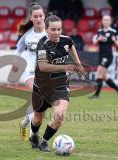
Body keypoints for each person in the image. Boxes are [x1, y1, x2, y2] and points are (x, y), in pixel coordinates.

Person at [29, 14, 84, 152]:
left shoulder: (66, 40)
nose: (57, 32)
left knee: (59, 115)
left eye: (59, 29)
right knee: (37, 119)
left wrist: (78, 63)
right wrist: (65, 67)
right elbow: (43, 66)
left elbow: (71, 46)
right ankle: (34, 135)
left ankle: (44, 141)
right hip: (42, 87)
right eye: (53, 29)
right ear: (46, 30)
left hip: (60, 85)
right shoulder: (42, 44)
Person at [13, 3, 46, 141]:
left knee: (40, 110)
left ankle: (25, 122)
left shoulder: (50, 32)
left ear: (44, 16)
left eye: (41, 16)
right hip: (30, 71)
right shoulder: (27, 36)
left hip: (45, 73)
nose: (39, 18)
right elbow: (18, 50)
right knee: (39, 96)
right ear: (31, 18)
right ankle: (34, 136)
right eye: (36, 16)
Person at [89, 15, 118, 99]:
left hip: (108, 56)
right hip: (101, 55)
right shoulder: (99, 31)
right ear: (102, 21)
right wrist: (98, 39)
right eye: (104, 20)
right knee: (105, 77)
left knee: (99, 73)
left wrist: (115, 40)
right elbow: (94, 42)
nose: (106, 21)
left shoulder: (113, 32)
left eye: (107, 20)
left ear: (110, 22)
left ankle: (96, 95)